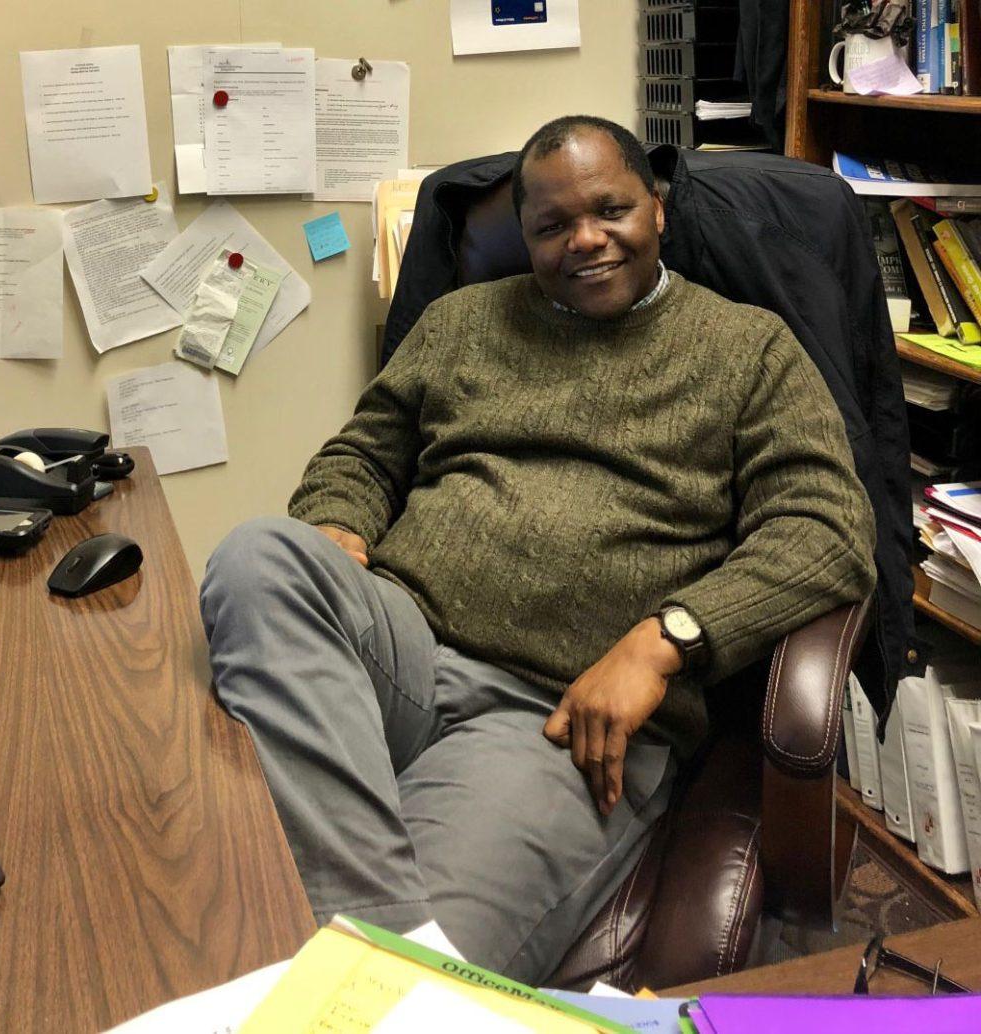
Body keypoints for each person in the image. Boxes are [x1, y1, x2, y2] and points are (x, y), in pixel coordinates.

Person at [200, 115, 877, 983]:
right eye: (552, 226)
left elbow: (825, 528)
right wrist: (339, 529)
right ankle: (372, 945)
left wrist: (665, 637)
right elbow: (363, 454)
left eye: (610, 211)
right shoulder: (460, 322)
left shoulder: (749, 351)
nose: (585, 240)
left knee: (389, 976)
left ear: (658, 209)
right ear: (524, 238)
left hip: (557, 719)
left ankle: (373, 968)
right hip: (400, 644)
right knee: (259, 555)